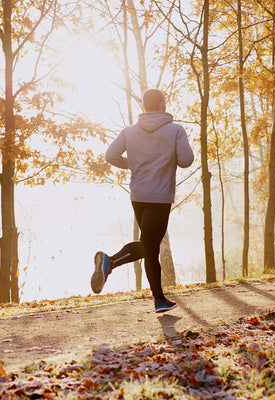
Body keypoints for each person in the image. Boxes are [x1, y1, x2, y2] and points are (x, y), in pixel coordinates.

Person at [90, 88, 194, 313]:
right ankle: (110, 262)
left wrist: (135, 163)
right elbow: (186, 160)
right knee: (149, 245)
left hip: (138, 196)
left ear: (144, 107)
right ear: (163, 105)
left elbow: (111, 156)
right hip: (160, 197)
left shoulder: (129, 131)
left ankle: (159, 300)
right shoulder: (175, 130)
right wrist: (167, 158)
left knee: (150, 247)